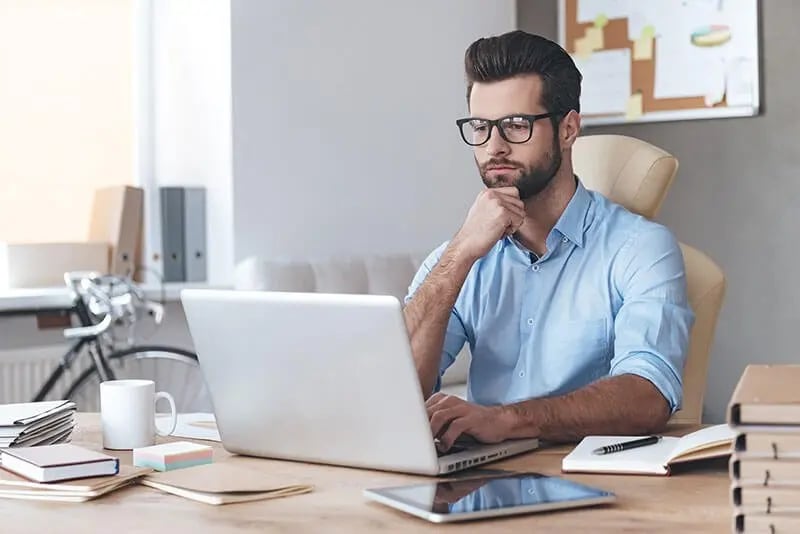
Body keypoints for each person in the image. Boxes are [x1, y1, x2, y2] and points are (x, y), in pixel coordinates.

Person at [402, 30, 694, 452]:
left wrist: (506, 420)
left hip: (594, 485)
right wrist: (461, 253)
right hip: (481, 482)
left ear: (568, 129)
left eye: (516, 126)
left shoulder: (641, 249)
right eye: (480, 127)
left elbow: (649, 395)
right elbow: (397, 392)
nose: (493, 147)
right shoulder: (458, 256)